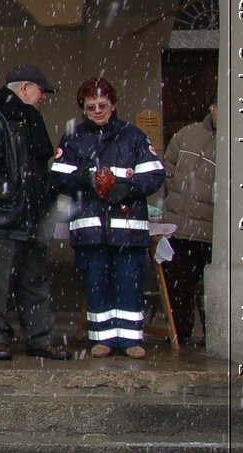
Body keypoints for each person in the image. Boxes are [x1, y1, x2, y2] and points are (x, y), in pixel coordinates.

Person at [51, 78, 166, 358]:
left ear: (113, 105)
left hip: (128, 226)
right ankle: (101, 339)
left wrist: (129, 187)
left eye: (102, 105)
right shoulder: (73, 138)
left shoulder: (134, 136)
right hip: (90, 228)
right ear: (83, 109)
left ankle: (131, 340)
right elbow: (57, 175)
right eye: (91, 107)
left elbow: (155, 175)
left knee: (129, 282)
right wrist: (83, 177)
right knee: (97, 282)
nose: (98, 111)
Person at [0, 65, 72, 361]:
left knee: (33, 281)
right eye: (42, 90)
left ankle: (37, 337)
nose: (44, 97)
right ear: (26, 88)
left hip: (27, 214)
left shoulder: (25, 118)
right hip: (5, 216)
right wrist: (12, 194)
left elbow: (35, 169)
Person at [161, 100, 216, 347]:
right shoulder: (188, 133)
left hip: (211, 229)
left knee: (209, 289)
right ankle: (180, 333)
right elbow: (167, 165)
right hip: (178, 225)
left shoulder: (240, 138)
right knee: (178, 284)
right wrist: (177, 191)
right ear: (212, 107)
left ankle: (213, 335)